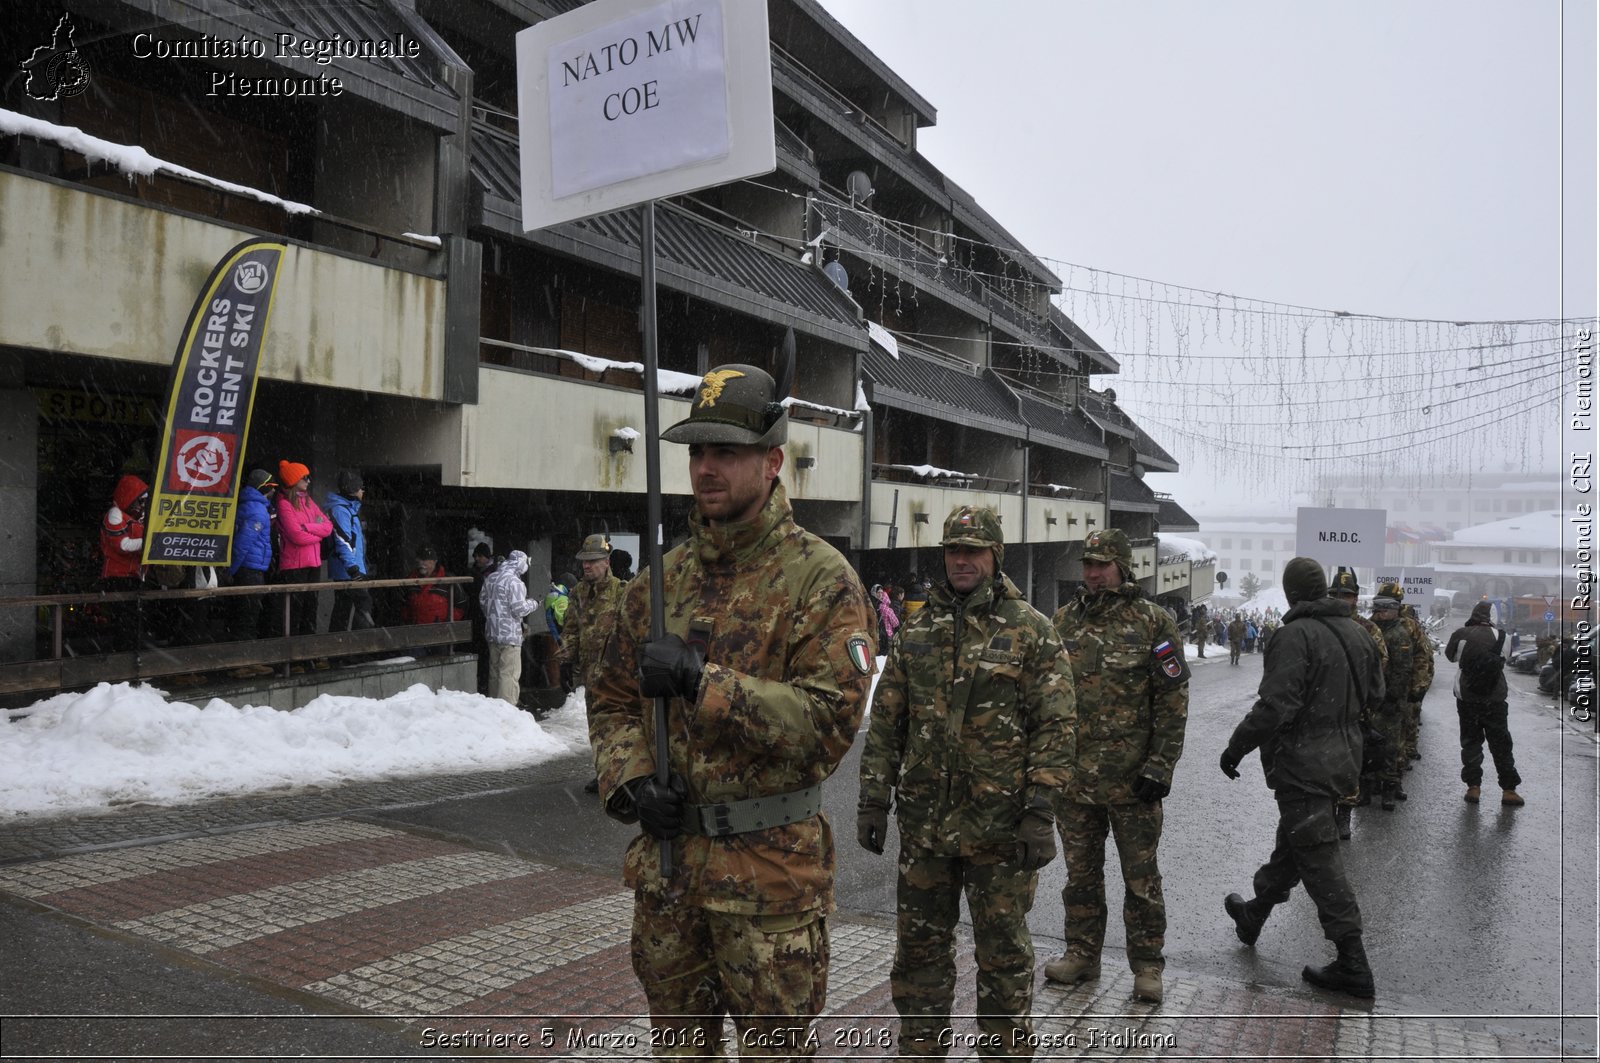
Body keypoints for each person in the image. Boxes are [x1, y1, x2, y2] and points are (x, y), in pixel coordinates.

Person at [587, 363, 877, 1056]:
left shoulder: (821, 579)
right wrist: (633, 780)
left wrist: (700, 681)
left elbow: (828, 722)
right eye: (697, 452)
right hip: (670, 871)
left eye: (727, 451)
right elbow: (612, 697)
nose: (707, 467)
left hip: (770, 883)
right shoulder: (661, 581)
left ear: (773, 460)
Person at [858, 505, 1077, 1057]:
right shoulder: (918, 628)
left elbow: (1055, 724)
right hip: (925, 827)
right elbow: (888, 718)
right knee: (919, 952)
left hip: (999, 832)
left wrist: (1040, 810)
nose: (961, 560)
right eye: (953, 550)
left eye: (973, 550)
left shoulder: (1030, 630)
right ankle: (920, 1050)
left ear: (994, 556)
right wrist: (872, 799)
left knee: (1002, 955)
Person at [1220, 557, 1383, 999]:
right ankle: (1254, 913)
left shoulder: (1294, 635)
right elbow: (1377, 695)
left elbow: (1276, 707)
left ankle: (1353, 961)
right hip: (1340, 762)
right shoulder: (1359, 634)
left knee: (1319, 860)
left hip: (1303, 766)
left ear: (1291, 593)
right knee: (1295, 843)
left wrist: (1236, 747)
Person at [1045, 527, 1189, 1005]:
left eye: (1102, 564)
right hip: (1075, 781)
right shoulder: (1063, 622)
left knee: (1140, 879)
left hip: (1134, 782)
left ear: (1124, 567)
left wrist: (1161, 766)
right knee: (1080, 878)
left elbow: (1172, 701)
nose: (1093, 573)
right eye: (1088, 564)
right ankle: (1082, 955)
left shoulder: (1154, 623)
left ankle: (1147, 966)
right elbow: (1047, 698)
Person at [563, 533, 628, 795]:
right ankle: (602, 773)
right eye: (584, 562)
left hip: (617, 676)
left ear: (607, 562)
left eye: (593, 561)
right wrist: (566, 661)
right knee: (595, 726)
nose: (587, 566)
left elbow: (633, 633)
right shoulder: (578, 592)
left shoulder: (622, 591)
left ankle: (622, 776)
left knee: (618, 726)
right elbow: (571, 629)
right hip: (591, 675)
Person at [1327, 568, 1387, 838]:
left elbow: (1379, 666)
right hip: (1325, 707)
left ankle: (1344, 815)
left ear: (1356, 598)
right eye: (1336, 594)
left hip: (1354, 708)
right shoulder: (1320, 624)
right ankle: (1326, 811)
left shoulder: (1369, 629)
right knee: (1324, 763)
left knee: (1350, 765)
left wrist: (1365, 701)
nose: (1342, 599)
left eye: (1347, 595)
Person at [1444, 601, 1523, 806]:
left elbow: (1451, 657)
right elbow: (1510, 656)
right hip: (1495, 699)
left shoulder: (1461, 633)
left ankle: (1473, 787)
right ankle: (1508, 790)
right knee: (1501, 744)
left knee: (1471, 742)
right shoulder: (1503, 637)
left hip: (1467, 698)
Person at [1376, 582, 1435, 768]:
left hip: (1404, 685)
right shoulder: (1373, 623)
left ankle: (1397, 769)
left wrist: (1419, 685)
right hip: (1380, 685)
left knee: (1403, 727)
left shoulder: (1410, 626)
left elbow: (1422, 657)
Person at [274, 461, 333, 639]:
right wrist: (317, 533)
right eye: (304, 477)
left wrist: (307, 527)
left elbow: (328, 526)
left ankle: (308, 655)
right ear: (294, 481)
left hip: (313, 563)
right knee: (295, 612)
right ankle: (293, 656)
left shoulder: (307, 500)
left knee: (310, 609)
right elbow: (296, 535)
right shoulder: (284, 504)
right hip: (295, 566)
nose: (308, 481)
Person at [1368, 594, 1415, 810]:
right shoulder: (1371, 629)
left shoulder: (1399, 634)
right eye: (1377, 610)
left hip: (1390, 701)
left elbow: (1402, 670)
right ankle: (1369, 786)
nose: (1378, 614)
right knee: (1369, 745)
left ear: (1394, 611)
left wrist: (1392, 697)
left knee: (1390, 748)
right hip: (1372, 699)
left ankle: (1389, 788)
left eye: (1383, 610)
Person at [481, 549, 538, 706]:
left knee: (494, 672)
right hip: (510, 636)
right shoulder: (515, 582)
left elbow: (483, 602)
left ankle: (493, 705)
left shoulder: (491, 578)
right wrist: (533, 603)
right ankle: (507, 709)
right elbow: (520, 608)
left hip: (492, 633)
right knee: (508, 674)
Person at [99, 473, 149, 651]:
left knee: (134, 619)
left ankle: (131, 653)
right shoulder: (115, 514)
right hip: (117, 576)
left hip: (134, 576)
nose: (141, 506)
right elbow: (123, 545)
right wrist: (151, 542)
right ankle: (122, 656)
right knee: (124, 620)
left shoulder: (138, 519)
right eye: (139, 501)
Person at [326, 469, 373, 632]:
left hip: (352, 569)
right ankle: (355, 646)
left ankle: (342, 649)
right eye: (360, 487)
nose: (363, 491)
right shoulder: (341, 510)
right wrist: (353, 569)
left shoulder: (350, 509)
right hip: (348, 572)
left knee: (343, 609)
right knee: (361, 605)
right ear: (352, 490)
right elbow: (343, 542)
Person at [403, 545, 464, 626]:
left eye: (424, 560)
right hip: (415, 631)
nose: (421, 563)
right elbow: (403, 605)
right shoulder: (409, 580)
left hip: (440, 632)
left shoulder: (448, 580)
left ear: (434, 561)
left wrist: (447, 624)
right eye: (419, 560)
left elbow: (462, 604)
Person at [468, 541, 496, 694]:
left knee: (487, 653)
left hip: (487, 617)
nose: (477, 559)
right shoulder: (474, 572)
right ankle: (481, 683)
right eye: (476, 556)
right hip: (477, 616)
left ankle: (484, 684)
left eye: (480, 556)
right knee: (479, 651)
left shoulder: (492, 574)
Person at [543, 572, 575, 691]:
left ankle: (566, 686)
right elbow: (563, 620)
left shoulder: (552, 595)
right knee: (567, 665)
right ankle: (567, 690)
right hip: (563, 635)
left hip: (557, 635)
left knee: (563, 662)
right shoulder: (562, 598)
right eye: (572, 588)